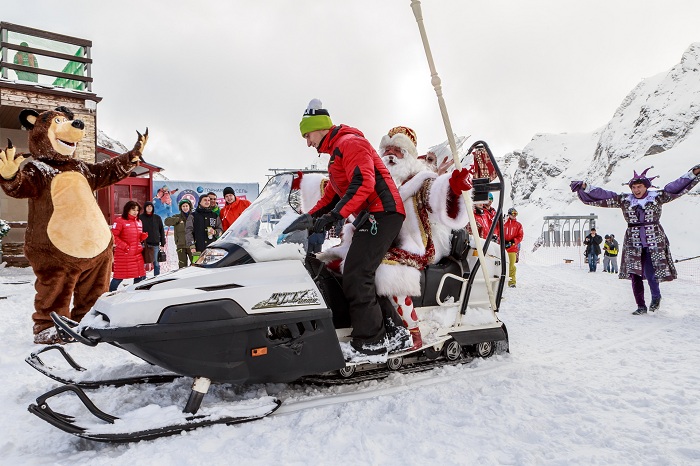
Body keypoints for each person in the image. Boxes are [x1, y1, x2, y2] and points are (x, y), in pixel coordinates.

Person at [294, 99, 407, 358]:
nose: (308, 142)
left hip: (384, 213)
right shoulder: (337, 155)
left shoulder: (350, 143)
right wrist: (308, 220)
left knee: (358, 274)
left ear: (320, 128)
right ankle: (394, 331)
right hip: (372, 216)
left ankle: (373, 340)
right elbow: (331, 197)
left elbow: (363, 183)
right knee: (356, 272)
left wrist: (336, 215)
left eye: (307, 135)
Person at [374, 125, 472, 350]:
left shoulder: (422, 180)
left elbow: (435, 193)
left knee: (389, 269)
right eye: (386, 149)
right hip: (393, 241)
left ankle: (412, 331)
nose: (389, 154)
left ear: (407, 154)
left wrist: (453, 188)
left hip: (421, 243)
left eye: (396, 150)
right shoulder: (389, 184)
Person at [571, 165, 700, 315]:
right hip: (633, 242)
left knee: (651, 273)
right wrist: (585, 187)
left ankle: (656, 297)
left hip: (655, 242)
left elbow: (674, 187)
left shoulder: (658, 197)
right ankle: (640, 305)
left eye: (639, 187)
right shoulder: (624, 200)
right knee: (635, 275)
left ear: (646, 187)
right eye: (634, 187)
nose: (636, 190)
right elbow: (603, 195)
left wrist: (693, 173)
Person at [110, 201, 147, 292]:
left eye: (137, 210)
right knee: (119, 277)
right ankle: (109, 294)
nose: (135, 212)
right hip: (124, 254)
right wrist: (126, 247)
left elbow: (135, 238)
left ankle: (135, 293)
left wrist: (141, 237)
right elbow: (113, 236)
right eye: (133, 210)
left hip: (137, 254)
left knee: (141, 276)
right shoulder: (120, 221)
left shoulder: (139, 222)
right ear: (127, 210)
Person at [186, 195, 223, 259]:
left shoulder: (214, 215)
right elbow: (188, 231)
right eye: (205, 200)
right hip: (197, 248)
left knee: (212, 267)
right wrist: (192, 246)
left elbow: (220, 229)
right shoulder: (193, 215)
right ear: (200, 202)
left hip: (212, 248)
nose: (207, 202)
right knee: (198, 267)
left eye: (208, 200)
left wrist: (215, 232)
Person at [165, 199, 194, 268]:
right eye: (183, 206)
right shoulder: (177, 216)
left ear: (190, 207)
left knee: (195, 263)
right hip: (181, 245)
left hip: (193, 246)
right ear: (180, 208)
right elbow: (166, 222)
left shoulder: (194, 216)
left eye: (186, 206)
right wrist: (177, 220)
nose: (185, 208)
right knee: (182, 265)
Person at [139, 201, 166, 276]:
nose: (149, 208)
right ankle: (142, 278)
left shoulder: (157, 218)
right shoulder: (140, 218)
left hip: (155, 244)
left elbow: (161, 230)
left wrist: (162, 243)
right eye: (147, 206)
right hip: (144, 244)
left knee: (156, 263)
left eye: (150, 206)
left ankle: (156, 277)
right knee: (143, 263)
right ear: (145, 208)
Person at [503, 208, 523, 287]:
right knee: (501, 264)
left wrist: (512, 242)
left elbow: (520, 236)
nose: (514, 216)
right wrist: (502, 241)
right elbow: (497, 231)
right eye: (513, 214)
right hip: (502, 247)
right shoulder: (504, 222)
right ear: (509, 214)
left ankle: (511, 282)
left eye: (516, 214)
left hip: (512, 248)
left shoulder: (518, 225)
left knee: (511, 265)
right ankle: (502, 280)